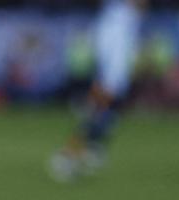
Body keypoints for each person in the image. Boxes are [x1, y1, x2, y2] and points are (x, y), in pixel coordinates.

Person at [49, 0, 147, 182]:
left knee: (114, 93)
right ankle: (69, 152)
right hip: (117, 27)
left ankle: (92, 145)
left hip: (120, 26)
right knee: (106, 93)